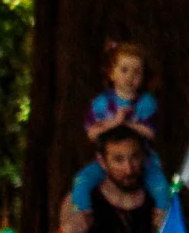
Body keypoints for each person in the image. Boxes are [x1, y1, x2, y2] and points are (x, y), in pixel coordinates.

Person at [62, 44, 161, 222]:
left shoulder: (146, 102)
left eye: (137, 72)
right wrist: (114, 123)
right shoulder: (102, 103)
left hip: (142, 159)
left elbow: (151, 133)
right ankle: (81, 231)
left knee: (161, 186)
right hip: (107, 161)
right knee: (81, 181)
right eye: (124, 70)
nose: (130, 77)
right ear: (111, 73)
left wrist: (129, 124)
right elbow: (92, 133)